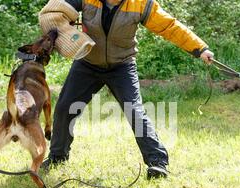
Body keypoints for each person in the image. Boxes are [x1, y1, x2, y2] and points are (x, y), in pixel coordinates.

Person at [41, 0, 214, 178]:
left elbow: (169, 26)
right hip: (87, 63)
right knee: (64, 108)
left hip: (121, 65)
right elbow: (56, 11)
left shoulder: (141, 3)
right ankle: (57, 157)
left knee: (135, 112)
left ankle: (157, 162)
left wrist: (199, 48)